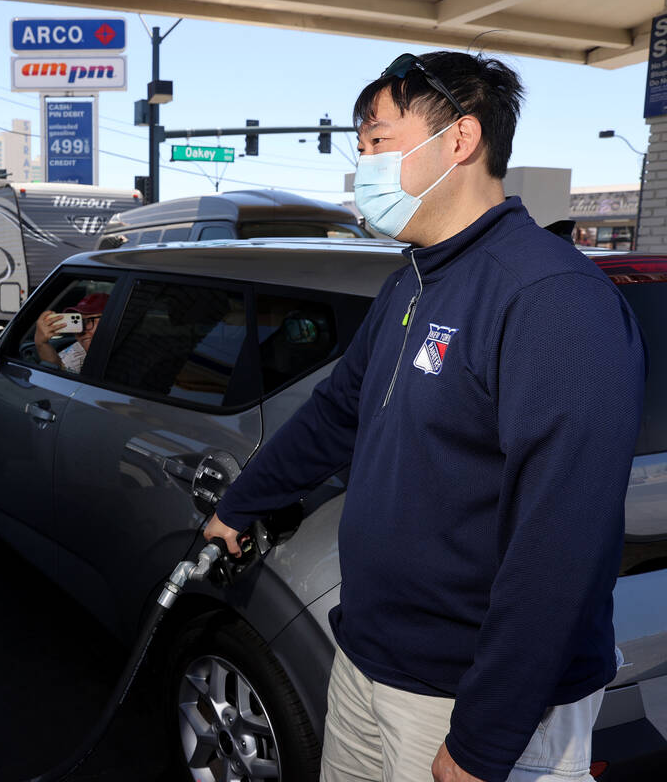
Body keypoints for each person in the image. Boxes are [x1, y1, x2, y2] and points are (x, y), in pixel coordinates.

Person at [204, 51, 646, 782]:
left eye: (377, 142)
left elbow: (562, 539)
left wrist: (485, 737)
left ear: (461, 140)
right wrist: (244, 502)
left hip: (476, 701)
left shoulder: (550, 299)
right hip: (371, 660)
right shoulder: (412, 283)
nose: (362, 166)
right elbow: (336, 415)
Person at [33, 292, 108, 373]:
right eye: (77, 322)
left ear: (111, 320)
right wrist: (42, 344)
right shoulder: (77, 351)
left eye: (88, 321)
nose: (80, 332)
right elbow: (59, 374)